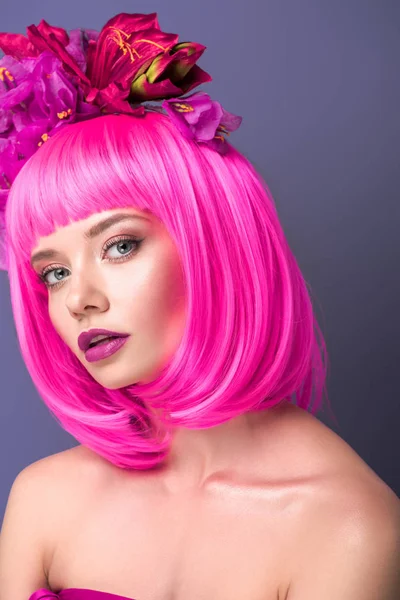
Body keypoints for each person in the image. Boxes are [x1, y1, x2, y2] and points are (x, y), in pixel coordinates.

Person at [0, 11, 399, 600]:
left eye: (120, 245)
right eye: (54, 273)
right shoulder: (44, 499)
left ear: (214, 242)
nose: (79, 300)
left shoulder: (347, 528)